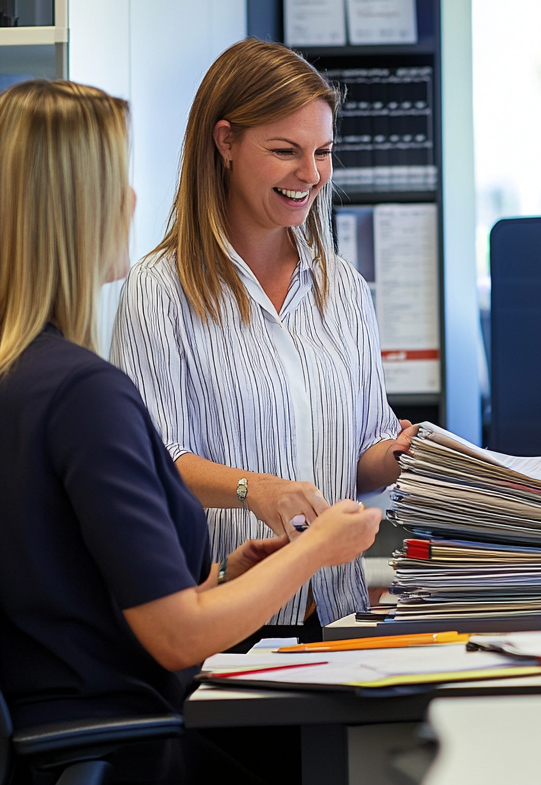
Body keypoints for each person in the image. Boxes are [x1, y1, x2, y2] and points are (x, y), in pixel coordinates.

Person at [0, 79, 382, 782]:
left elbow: (67, 594)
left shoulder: (24, 378)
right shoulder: (83, 392)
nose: (133, 201)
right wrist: (315, 550)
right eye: (118, 180)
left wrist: (221, 580)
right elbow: (175, 638)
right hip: (129, 746)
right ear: (77, 205)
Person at [111, 39, 413, 629]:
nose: (310, 174)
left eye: (323, 152)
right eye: (285, 151)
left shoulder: (343, 289)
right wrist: (259, 491)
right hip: (226, 616)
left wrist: (402, 455)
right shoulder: (160, 288)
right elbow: (155, 462)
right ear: (225, 142)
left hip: (336, 615)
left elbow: (363, 456)